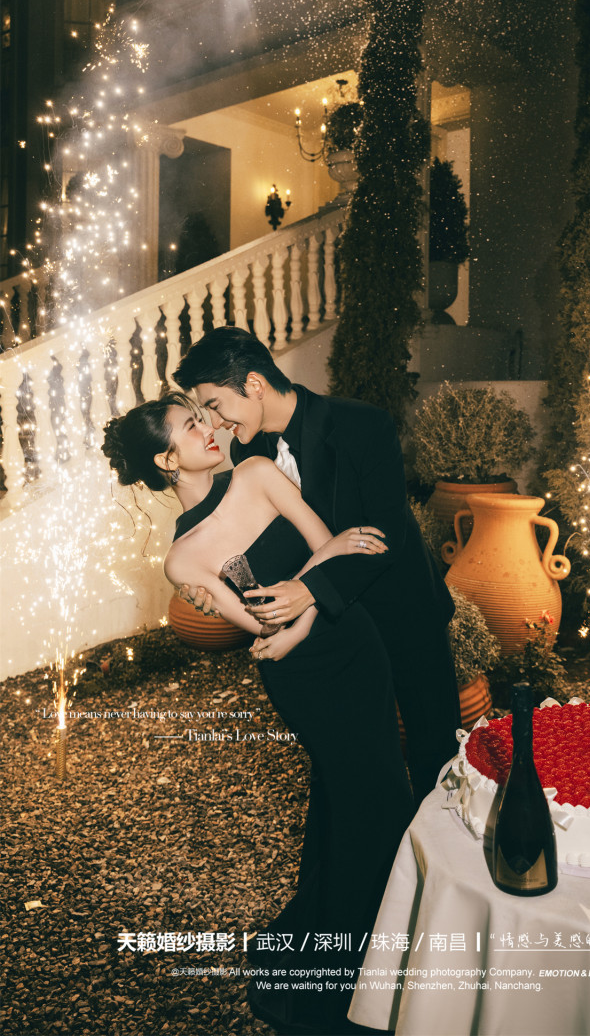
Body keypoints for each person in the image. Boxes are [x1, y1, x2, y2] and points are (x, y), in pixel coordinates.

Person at [102, 393, 415, 1035]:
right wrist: (296, 618)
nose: (209, 429)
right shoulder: (183, 559)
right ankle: (350, 972)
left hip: (354, 646)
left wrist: (299, 616)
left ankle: (368, 953)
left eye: (204, 418)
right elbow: (258, 627)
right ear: (167, 461)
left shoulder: (257, 472)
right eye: (191, 427)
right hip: (302, 679)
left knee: (375, 792)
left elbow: (327, 547)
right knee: (358, 799)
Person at [173, 326, 461, 805]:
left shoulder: (362, 424)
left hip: (403, 613)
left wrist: (308, 590)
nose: (217, 424)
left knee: (438, 761)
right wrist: (211, 588)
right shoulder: (248, 454)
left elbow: (386, 536)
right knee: (362, 772)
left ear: (254, 385)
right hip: (336, 638)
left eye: (217, 406)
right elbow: (253, 548)